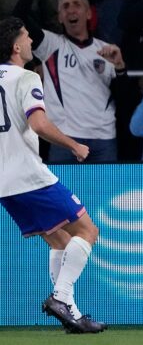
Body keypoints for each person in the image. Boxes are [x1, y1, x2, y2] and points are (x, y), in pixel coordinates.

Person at [0, 17, 106, 333]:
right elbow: (39, 124)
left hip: (4, 182)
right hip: (28, 174)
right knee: (87, 231)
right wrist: (74, 144)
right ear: (16, 46)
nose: (32, 42)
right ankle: (61, 297)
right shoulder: (26, 77)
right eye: (27, 37)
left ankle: (71, 313)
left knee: (59, 240)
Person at [14, 0, 127, 163]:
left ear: (89, 13)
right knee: (64, 190)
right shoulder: (50, 45)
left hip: (103, 139)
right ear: (60, 17)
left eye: (77, 5)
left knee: (103, 190)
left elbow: (124, 99)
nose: (71, 10)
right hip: (64, 140)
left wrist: (120, 67)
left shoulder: (107, 50)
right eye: (65, 7)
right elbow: (18, 16)